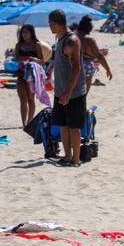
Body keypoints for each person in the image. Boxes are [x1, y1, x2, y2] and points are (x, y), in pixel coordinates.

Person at [49, 10, 87, 167]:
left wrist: (68, 92)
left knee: (74, 127)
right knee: (63, 126)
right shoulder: (60, 39)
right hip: (60, 91)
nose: (49, 27)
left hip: (74, 93)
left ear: (57, 23)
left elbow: (77, 68)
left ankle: (76, 159)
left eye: (51, 24)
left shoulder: (71, 41)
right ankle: (67, 156)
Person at [14, 24, 45, 128]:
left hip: (33, 74)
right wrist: (25, 59)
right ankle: (24, 123)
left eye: (26, 32)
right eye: (22, 32)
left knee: (31, 99)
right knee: (23, 99)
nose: (24, 34)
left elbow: (42, 61)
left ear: (32, 33)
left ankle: (30, 121)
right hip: (21, 73)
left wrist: (34, 59)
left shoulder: (37, 45)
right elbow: (16, 58)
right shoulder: (19, 45)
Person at [74, 15, 112, 89]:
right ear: (89, 28)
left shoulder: (73, 36)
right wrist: (107, 69)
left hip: (72, 64)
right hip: (86, 66)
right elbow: (99, 56)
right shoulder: (89, 39)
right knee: (84, 90)